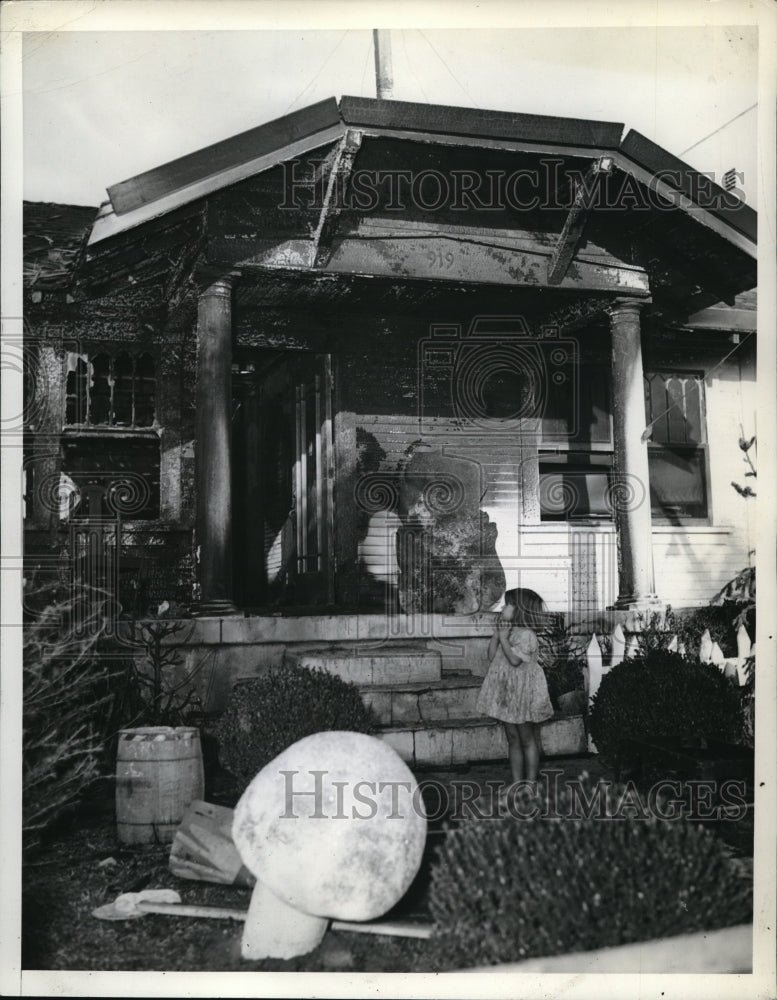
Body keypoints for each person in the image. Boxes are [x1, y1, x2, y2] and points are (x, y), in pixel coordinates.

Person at [476, 587, 554, 787]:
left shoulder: (527, 635)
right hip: (509, 693)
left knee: (527, 738)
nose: (503, 607)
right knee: (512, 738)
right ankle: (517, 782)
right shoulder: (508, 632)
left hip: (523, 694)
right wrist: (496, 636)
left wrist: (503, 638)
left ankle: (530, 783)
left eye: (507, 604)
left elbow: (514, 661)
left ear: (519, 609)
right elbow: (493, 657)